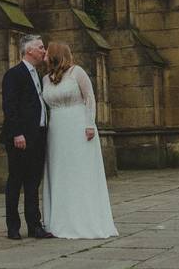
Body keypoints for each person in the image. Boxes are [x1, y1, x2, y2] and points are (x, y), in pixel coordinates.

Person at [40, 42, 118, 239]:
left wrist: (90, 124)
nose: (44, 56)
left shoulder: (77, 72)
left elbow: (90, 97)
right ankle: (60, 219)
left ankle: (84, 218)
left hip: (78, 126)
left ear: (55, 55)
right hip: (56, 129)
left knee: (79, 170)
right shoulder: (45, 79)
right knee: (60, 171)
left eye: (47, 52)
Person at [0, 34, 53, 240]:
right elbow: (9, 106)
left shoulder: (39, 75)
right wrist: (17, 133)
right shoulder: (14, 74)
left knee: (33, 183)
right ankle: (13, 226)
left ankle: (34, 226)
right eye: (40, 47)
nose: (44, 51)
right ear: (29, 50)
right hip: (19, 138)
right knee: (15, 181)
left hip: (38, 136)